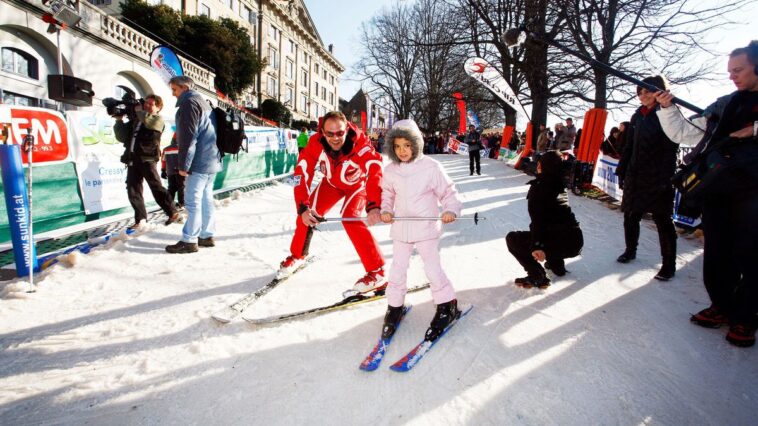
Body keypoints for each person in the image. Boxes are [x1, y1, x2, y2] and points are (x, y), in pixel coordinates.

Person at [654, 41, 758, 347]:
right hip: (719, 191)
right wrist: (666, 108)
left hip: (754, 196)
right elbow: (685, 133)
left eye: (738, 70)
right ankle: (722, 306)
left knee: (751, 258)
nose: (732, 76)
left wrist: (754, 129)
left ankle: (746, 318)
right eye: (729, 71)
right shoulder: (725, 104)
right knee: (717, 255)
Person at [279, 111, 386, 293]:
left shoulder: (359, 142)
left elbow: (374, 168)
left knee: (350, 218)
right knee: (307, 212)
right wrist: (303, 206)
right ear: (322, 132)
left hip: (356, 185)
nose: (335, 138)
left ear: (347, 130)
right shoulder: (315, 143)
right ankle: (298, 255)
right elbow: (301, 173)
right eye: (330, 134)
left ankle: (377, 272)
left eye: (340, 133)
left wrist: (374, 204)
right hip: (331, 183)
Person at [378, 119, 464, 342]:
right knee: (397, 269)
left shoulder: (430, 167)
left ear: (416, 144)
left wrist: (450, 210)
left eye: (407, 145)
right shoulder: (390, 170)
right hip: (401, 227)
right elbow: (387, 194)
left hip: (425, 226)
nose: (402, 151)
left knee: (432, 268)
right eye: (397, 146)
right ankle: (395, 307)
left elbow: (448, 192)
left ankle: (447, 305)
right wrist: (386, 210)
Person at [614, 75, 678, 281]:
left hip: (659, 175)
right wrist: (622, 171)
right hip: (636, 173)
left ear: (659, 91)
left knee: (662, 219)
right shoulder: (637, 116)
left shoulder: (669, 112)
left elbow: (673, 146)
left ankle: (669, 263)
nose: (643, 96)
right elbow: (629, 147)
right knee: (630, 214)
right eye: (639, 92)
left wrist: (665, 176)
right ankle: (630, 250)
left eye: (647, 91)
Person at [506, 151, 583, 289]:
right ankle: (557, 266)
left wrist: (537, 246)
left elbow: (539, 221)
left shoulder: (540, 187)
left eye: (540, 163)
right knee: (555, 228)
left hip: (561, 241)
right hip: (575, 241)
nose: (537, 165)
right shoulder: (560, 183)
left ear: (543, 166)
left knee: (512, 239)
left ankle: (537, 276)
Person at [165, 76, 222, 254]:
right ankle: (206, 235)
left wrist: (184, 165)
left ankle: (189, 240)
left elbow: (188, 138)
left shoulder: (189, 103)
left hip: (199, 161)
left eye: (174, 89)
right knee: (206, 199)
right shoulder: (203, 102)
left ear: (183, 87)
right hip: (213, 159)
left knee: (192, 202)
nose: (173, 94)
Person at [113, 94, 180, 230]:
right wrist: (119, 121)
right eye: (146, 103)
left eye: (151, 104)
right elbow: (121, 137)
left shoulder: (158, 120)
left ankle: (172, 212)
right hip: (132, 159)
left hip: (147, 159)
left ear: (158, 108)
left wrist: (138, 111)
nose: (147, 106)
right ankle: (141, 219)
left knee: (156, 187)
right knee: (133, 190)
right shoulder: (136, 120)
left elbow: (149, 122)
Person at [161, 133, 184, 209]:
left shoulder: (165, 149)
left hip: (170, 172)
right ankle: (181, 203)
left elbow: (163, 161)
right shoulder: (182, 148)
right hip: (180, 171)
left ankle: (169, 204)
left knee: (171, 188)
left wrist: (163, 171)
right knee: (181, 187)